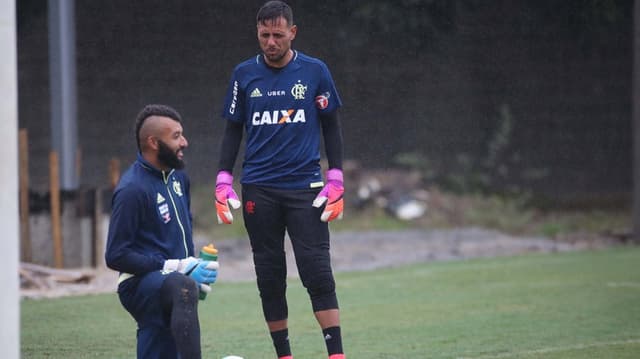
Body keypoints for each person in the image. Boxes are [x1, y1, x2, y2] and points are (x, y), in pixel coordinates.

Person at [214, 1, 346, 358]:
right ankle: (283, 355)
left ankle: (336, 354)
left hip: (306, 189)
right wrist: (223, 178)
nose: (271, 42)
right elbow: (232, 131)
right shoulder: (244, 74)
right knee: (269, 276)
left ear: (293, 33)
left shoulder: (315, 71)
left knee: (317, 271)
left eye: (277, 34)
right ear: (257, 33)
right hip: (259, 189)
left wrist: (336, 176)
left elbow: (331, 126)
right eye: (264, 35)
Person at [106, 104, 219, 359]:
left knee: (162, 342)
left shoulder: (179, 178)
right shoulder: (132, 190)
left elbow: (182, 231)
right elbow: (115, 255)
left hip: (172, 282)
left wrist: (194, 266)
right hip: (138, 283)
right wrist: (180, 268)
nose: (185, 142)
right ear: (154, 142)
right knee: (182, 287)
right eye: (176, 136)